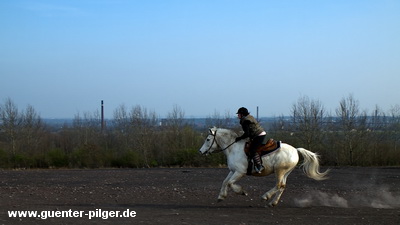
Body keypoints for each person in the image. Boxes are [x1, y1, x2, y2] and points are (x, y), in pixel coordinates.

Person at [235, 107, 266, 173]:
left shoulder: (245, 121)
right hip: (257, 135)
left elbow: (247, 134)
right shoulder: (248, 117)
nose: (238, 115)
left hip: (259, 135)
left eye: (239, 114)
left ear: (242, 114)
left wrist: (239, 138)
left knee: (252, 150)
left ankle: (259, 166)